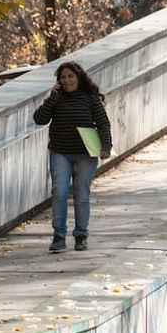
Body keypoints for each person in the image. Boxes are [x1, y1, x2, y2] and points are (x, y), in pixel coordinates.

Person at [33, 61, 112, 253]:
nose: (67, 80)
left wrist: (106, 146)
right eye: (63, 77)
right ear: (58, 81)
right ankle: (59, 237)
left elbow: (103, 123)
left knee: (81, 194)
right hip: (60, 152)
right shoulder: (56, 99)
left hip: (85, 154)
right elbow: (39, 119)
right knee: (59, 192)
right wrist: (52, 98)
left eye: (70, 76)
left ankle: (81, 235)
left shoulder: (90, 99)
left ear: (78, 78)